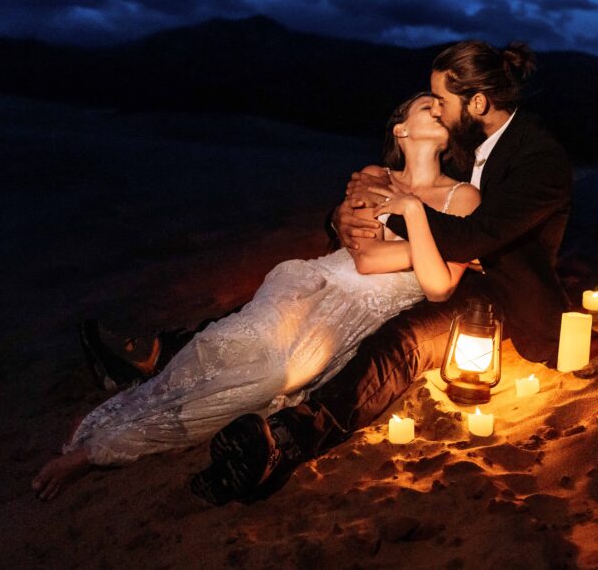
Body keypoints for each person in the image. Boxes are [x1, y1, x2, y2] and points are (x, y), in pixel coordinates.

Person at [31, 93, 481, 501]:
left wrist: (413, 214)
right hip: (318, 284)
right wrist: (436, 245)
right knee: (234, 348)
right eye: (427, 105)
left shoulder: (465, 199)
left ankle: (113, 437)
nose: (439, 108)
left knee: (276, 377)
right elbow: (364, 259)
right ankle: (99, 442)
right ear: (401, 129)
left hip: (360, 313)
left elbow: (440, 287)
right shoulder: (372, 177)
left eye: (442, 106)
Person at [194, 39, 572, 505]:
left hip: (494, 293)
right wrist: (344, 213)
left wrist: (391, 209)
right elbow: (406, 180)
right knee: (295, 300)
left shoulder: (541, 162)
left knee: (399, 343)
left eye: (441, 102)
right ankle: (180, 349)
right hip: (429, 269)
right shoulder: (461, 143)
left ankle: (289, 437)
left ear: (477, 103)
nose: (435, 111)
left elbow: (472, 237)